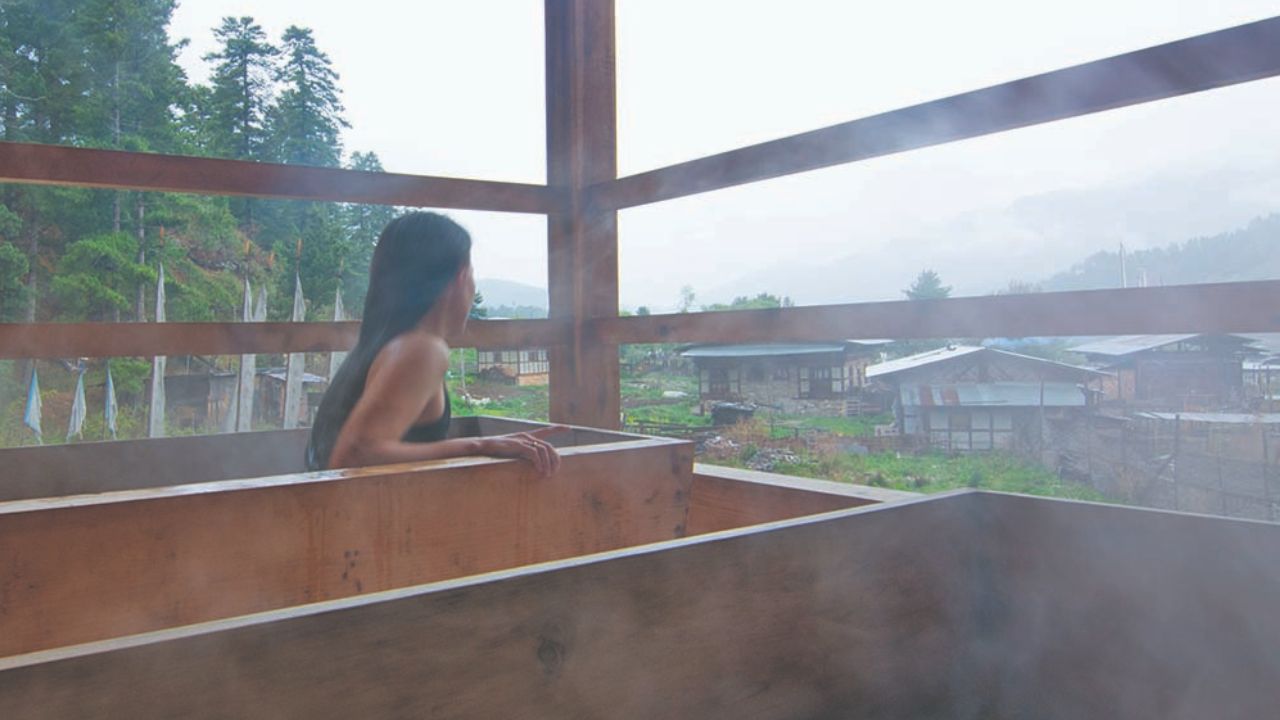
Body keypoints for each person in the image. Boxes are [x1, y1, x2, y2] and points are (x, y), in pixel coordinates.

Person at [306, 211, 561, 474]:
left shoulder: (383, 343)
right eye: (472, 273)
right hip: (355, 513)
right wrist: (478, 445)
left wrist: (487, 444)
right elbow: (354, 455)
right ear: (461, 277)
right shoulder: (421, 348)